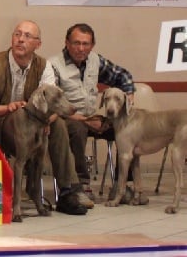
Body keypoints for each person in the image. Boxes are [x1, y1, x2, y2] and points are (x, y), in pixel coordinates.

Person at [0, 20, 91, 216]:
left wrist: (48, 121)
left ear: (38, 44)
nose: (21, 39)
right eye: (17, 34)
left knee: (60, 127)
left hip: (35, 122)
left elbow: (54, 103)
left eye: (28, 36)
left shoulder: (44, 66)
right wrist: (7, 108)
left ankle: (67, 191)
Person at [50, 23, 144, 204]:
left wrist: (128, 101)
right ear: (67, 43)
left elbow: (123, 76)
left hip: (92, 115)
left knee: (129, 129)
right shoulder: (53, 65)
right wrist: (84, 120)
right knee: (77, 129)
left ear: (92, 45)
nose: (81, 48)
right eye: (76, 43)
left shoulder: (95, 60)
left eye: (86, 44)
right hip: (67, 118)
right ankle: (80, 185)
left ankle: (122, 185)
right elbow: (53, 104)